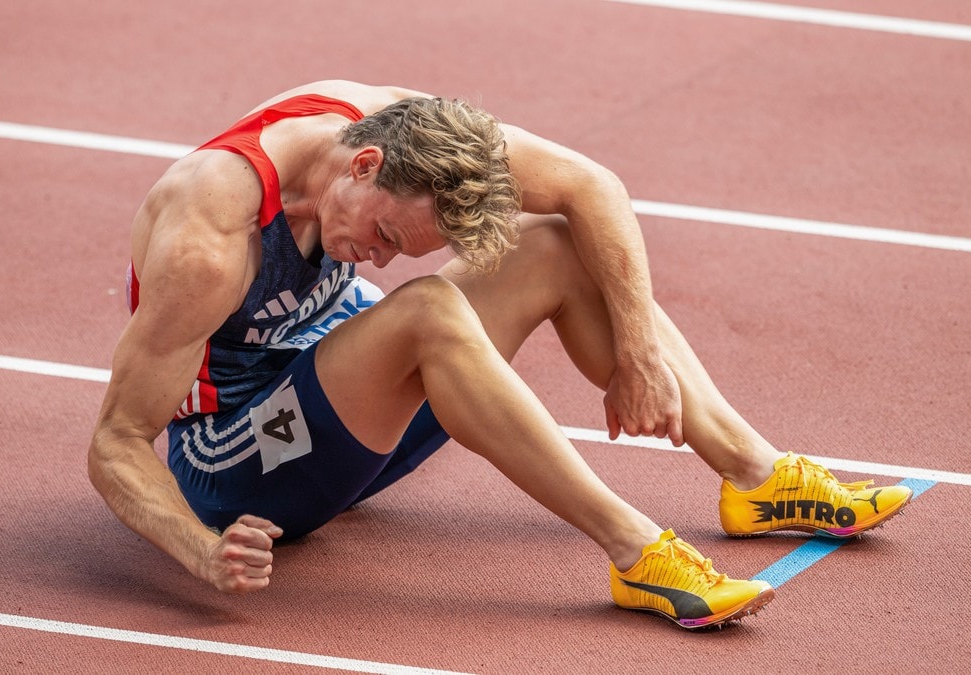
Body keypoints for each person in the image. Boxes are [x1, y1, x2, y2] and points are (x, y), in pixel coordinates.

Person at [87, 80, 912, 630]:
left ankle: (755, 477)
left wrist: (639, 352)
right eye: (381, 236)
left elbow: (593, 188)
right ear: (364, 166)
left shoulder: (386, 124)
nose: (376, 256)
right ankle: (636, 551)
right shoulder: (211, 237)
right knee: (430, 307)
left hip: (341, 406)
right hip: (237, 465)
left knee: (550, 243)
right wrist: (201, 550)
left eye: (399, 246)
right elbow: (116, 442)